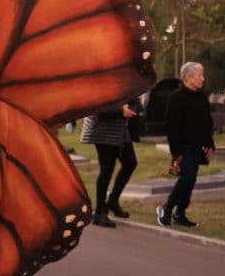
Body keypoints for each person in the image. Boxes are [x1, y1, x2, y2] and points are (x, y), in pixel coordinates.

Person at [157, 62, 214, 228]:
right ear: (188, 78)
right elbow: (171, 126)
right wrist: (176, 151)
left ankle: (180, 213)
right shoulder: (176, 97)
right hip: (182, 146)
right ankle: (166, 208)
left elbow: (207, 122)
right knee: (187, 177)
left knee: (191, 180)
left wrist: (209, 143)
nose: (203, 79)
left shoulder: (201, 97)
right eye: (199, 76)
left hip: (197, 146)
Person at [81, 98, 143, 227]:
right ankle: (99, 212)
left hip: (120, 130)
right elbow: (95, 104)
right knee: (107, 169)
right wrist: (121, 111)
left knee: (130, 163)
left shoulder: (126, 78)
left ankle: (112, 202)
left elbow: (136, 100)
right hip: (102, 130)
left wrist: (132, 110)